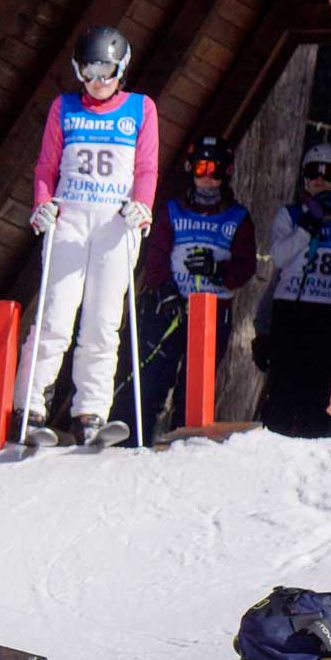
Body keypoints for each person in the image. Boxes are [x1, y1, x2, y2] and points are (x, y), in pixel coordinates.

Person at [12, 24, 159, 446]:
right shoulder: (64, 108)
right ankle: (30, 405)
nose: (96, 82)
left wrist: (143, 204)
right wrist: (42, 203)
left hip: (115, 223)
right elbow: (47, 165)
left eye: (105, 72)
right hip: (71, 220)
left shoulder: (140, 109)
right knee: (55, 315)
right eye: (88, 73)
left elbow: (146, 166)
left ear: (121, 69)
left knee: (102, 321)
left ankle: (90, 412)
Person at [123, 134, 257, 445]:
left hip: (212, 315)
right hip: (169, 309)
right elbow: (156, 257)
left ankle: (183, 446)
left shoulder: (238, 217)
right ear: (190, 170)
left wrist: (218, 270)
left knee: (195, 388)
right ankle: (133, 443)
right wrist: (165, 290)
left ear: (227, 173)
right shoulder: (173, 210)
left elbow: (245, 266)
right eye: (201, 169)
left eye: (215, 170)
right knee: (152, 380)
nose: (208, 178)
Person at [253, 142, 331, 437]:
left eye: (328, 173)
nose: (319, 179)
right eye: (312, 172)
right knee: (282, 393)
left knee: (315, 397)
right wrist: (307, 226)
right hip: (291, 311)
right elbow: (279, 257)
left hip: (330, 316)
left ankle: (310, 452)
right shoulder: (291, 214)